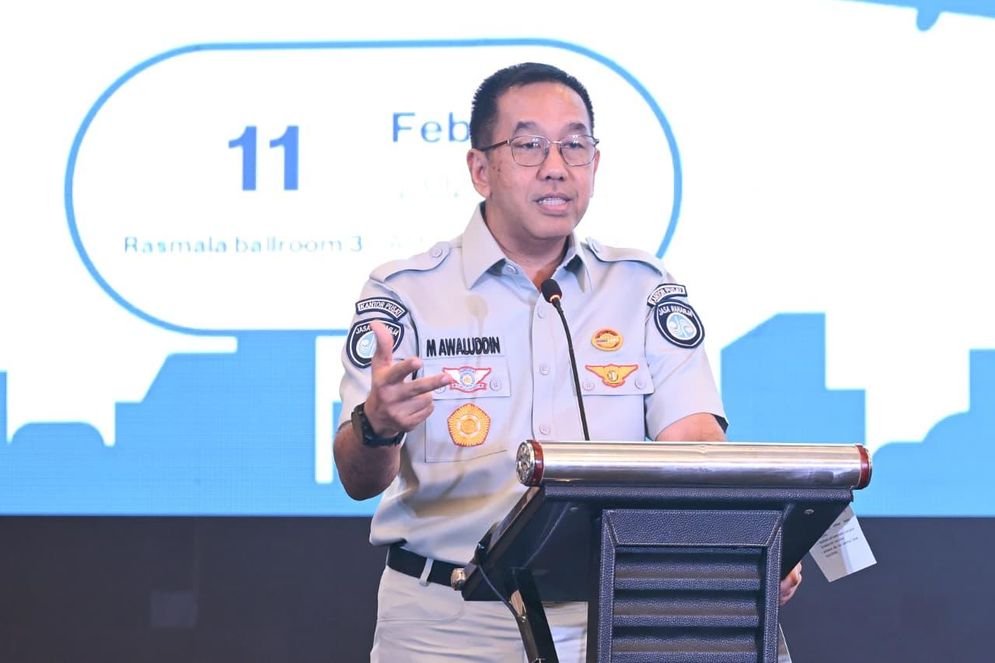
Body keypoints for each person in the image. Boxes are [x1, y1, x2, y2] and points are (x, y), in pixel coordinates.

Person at [334, 62, 801, 662]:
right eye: (529, 145)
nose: (556, 166)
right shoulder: (407, 293)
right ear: (480, 169)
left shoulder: (640, 288)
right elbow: (358, 478)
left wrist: (736, 542)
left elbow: (694, 441)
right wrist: (378, 424)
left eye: (574, 146)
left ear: (594, 164)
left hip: (613, 611)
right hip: (449, 624)